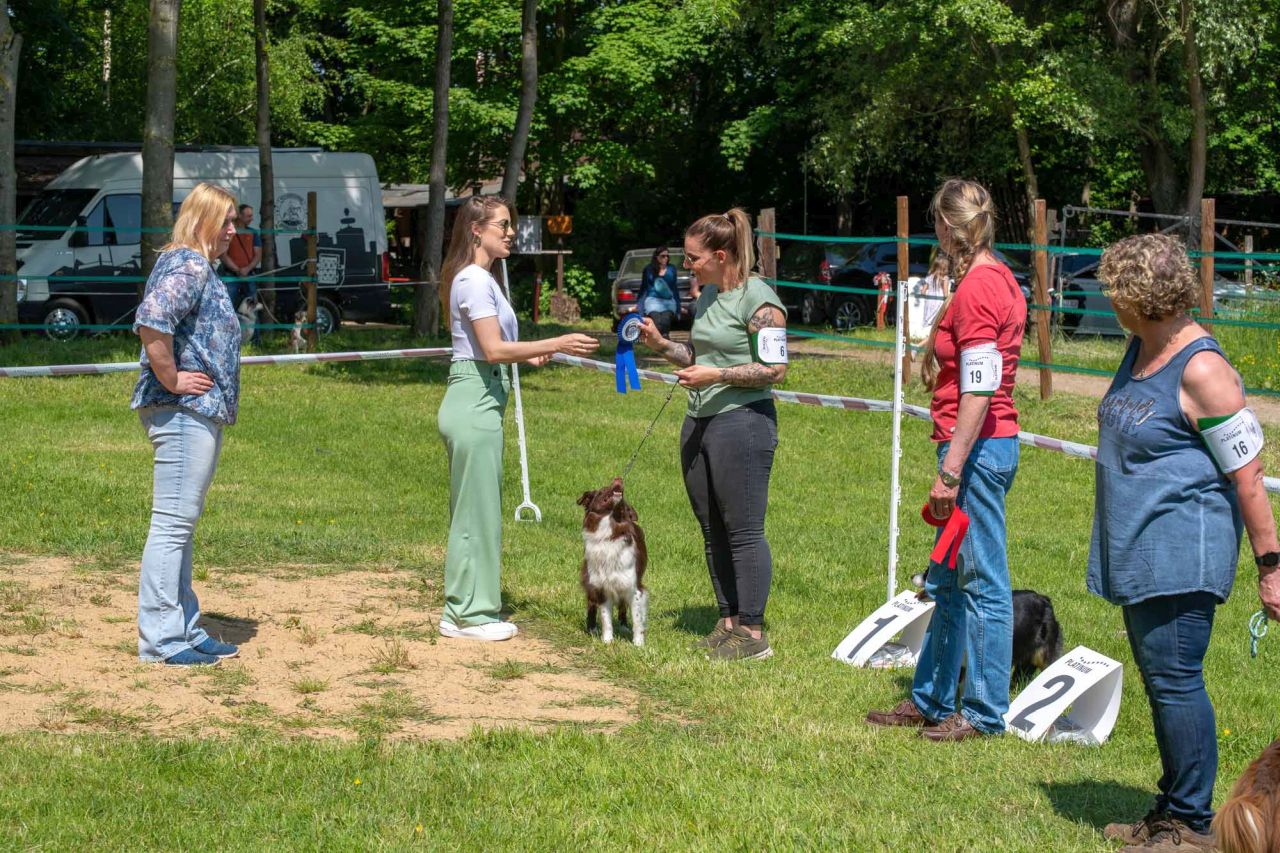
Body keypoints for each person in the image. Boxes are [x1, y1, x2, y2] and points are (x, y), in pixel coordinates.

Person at [1090, 234, 1280, 852]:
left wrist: (1271, 566)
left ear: (1141, 296)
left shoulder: (1203, 368)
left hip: (1182, 550)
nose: (1110, 301)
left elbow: (1249, 477)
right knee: (1159, 678)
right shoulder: (1143, 345)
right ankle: (1172, 806)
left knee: (1175, 679)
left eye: (1116, 291)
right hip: (1139, 545)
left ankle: (1193, 825)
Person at [866, 178, 1026, 740]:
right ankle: (933, 698)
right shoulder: (991, 277)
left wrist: (951, 471)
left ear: (948, 227)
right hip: (973, 442)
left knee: (982, 579)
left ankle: (983, 713)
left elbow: (980, 390)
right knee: (951, 579)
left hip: (977, 448)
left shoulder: (982, 285)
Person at [437, 195, 599, 641]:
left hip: (484, 394)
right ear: (476, 229)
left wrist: (528, 356)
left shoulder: (483, 280)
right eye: (502, 225)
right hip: (475, 398)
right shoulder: (472, 279)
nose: (510, 232)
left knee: (477, 510)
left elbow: (490, 347)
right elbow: (490, 350)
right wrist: (556, 342)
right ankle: (470, 614)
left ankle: (464, 608)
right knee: (477, 513)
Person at [637, 208, 788, 661]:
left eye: (694, 258)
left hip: (743, 421)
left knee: (743, 531)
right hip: (700, 420)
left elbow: (774, 369)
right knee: (712, 529)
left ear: (721, 255)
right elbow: (698, 356)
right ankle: (727, 622)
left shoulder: (760, 302)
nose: (688, 266)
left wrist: (717, 375)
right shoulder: (708, 297)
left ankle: (754, 633)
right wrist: (664, 347)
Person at [131, 182, 243, 667]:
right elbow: (153, 319)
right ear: (202, 222)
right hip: (182, 411)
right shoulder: (190, 263)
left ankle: (184, 627)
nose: (234, 232)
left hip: (195, 412)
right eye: (228, 221)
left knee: (181, 525)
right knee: (173, 524)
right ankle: (160, 640)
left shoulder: (192, 265)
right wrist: (172, 377)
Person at [222, 204, 262, 344]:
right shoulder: (229, 232)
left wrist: (247, 269)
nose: (252, 218)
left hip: (248, 274)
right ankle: (227, 340)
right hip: (231, 275)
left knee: (254, 307)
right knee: (228, 307)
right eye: (249, 215)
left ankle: (256, 341)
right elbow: (224, 255)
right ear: (240, 216)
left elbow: (258, 255)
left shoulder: (253, 233)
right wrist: (237, 270)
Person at [633, 245, 680, 337]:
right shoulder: (648, 269)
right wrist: (640, 306)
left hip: (668, 301)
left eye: (667, 256)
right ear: (656, 257)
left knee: (666, 321)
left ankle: (665, 342)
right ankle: (657, 342)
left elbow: (674, 288)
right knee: (657, 321)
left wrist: (678, 307)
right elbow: (644, 288)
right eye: (663, 256)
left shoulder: (672, 269)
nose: (666, 258)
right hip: (652, 300)